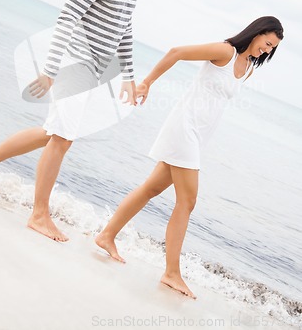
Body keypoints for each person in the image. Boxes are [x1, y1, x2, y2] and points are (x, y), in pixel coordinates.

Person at [0, 0, 167, 242]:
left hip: (96, 72)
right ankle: (38, 214)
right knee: (62, 138)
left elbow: (125, 31)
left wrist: (130, 77)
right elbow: (67, 19)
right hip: (75, 64)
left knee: (52, 133)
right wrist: (49, 70)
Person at [95, 16, 284, 299]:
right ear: (257, 33)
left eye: (272, 49)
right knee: (188, 200)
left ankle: (106, 235)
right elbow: (177, 52)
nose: (267, 50)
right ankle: (171, 272)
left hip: (199, 136)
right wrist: (146, 83)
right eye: (267, 43)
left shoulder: (247, 70)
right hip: (184, 127)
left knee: (151, 188)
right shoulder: (225, 51)